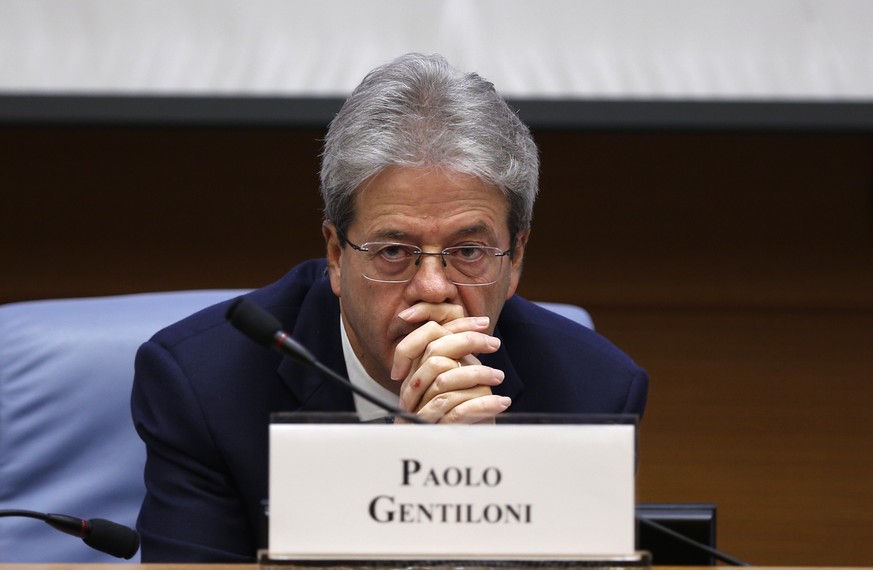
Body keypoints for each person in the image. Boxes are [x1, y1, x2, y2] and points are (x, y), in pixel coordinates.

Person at [131, 52, 648, 562]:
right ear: (336, 256)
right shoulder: (203, 386)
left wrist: (483, 476)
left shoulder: (593, 393)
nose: (432, 287)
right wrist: (397, 475)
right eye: (394, 251)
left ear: (514, 260)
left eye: (468, 252)